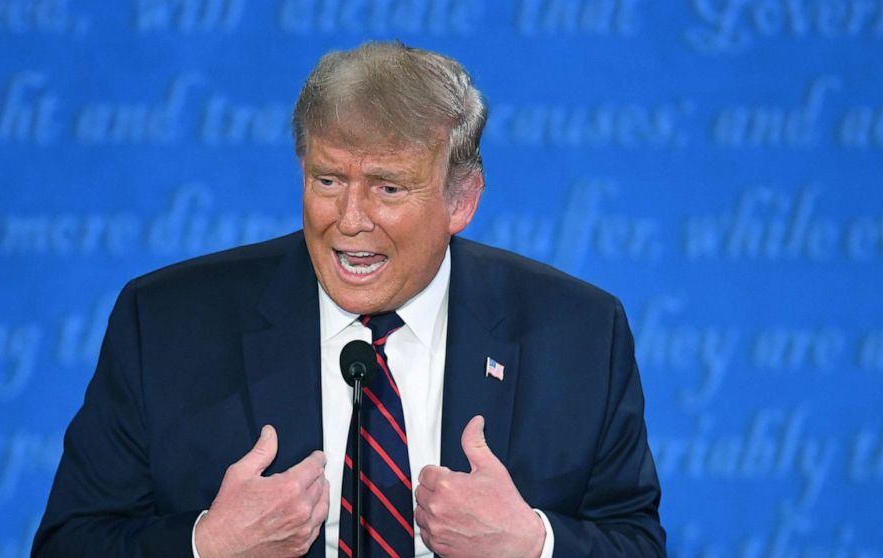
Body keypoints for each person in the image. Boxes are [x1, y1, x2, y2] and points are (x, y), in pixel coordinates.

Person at [33, 41, 665, 557]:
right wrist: (208, 545)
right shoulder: (168, 324)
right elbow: (68, 544)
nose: (350, 219)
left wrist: (534, 545)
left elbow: (635, 541)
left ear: (461, 200)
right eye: (327, 180)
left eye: (389, 188)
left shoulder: (579, 333)